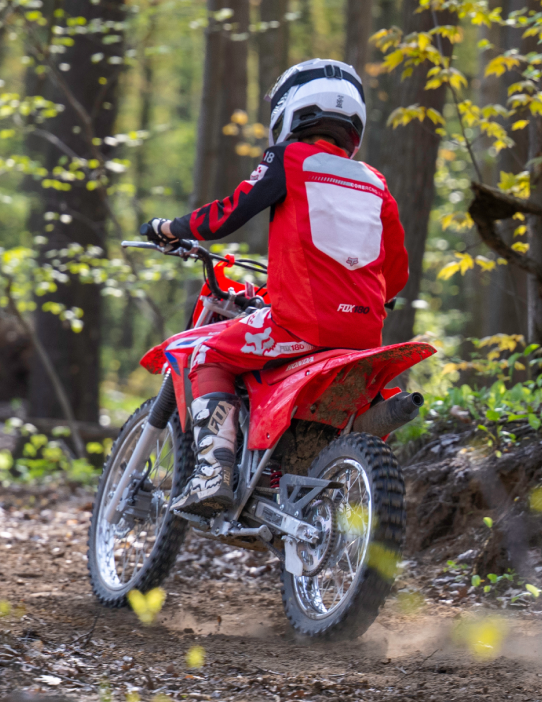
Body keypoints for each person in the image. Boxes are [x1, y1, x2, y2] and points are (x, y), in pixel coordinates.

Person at [140, 58, 409, 518]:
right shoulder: (376, 182)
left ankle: (213, 473)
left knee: (200, 352)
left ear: (290, 112)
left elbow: (232, 211)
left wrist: (171, 227)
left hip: (298, 325)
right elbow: (396, 272)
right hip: (365, 334)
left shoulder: (290, 158)